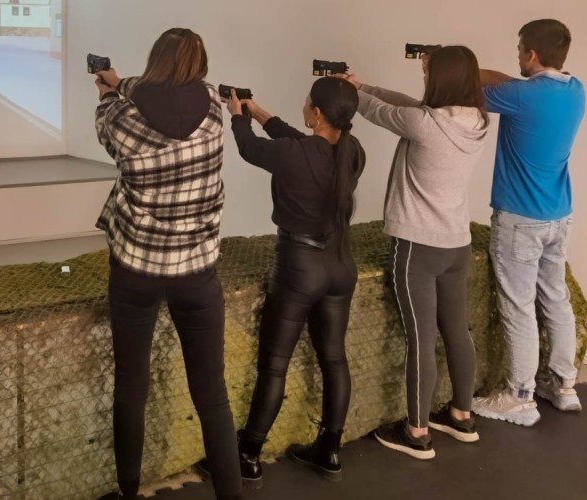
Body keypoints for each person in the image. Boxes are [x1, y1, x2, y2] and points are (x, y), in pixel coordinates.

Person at [92, 28, 242, 500]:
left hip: (136, 271)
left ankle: (129, 490)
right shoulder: (216, 109)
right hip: (197, 273)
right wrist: (125, 84)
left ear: (154, 63)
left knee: (130, 389)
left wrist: (112, 88)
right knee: (211, 394)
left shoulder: (121, 117)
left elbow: (114, 122)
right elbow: (179, 91)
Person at [197, 77, 365, 487]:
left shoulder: (298, 153)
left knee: (274, 366)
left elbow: (250, 148)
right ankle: (329, 450)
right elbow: (296, 139)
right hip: (340, 264)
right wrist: (256, 110)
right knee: (334, 359)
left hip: (299, 267)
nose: (304, 107)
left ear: (318, 114)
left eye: (308, 102)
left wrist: (238, 117)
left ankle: (248, 454)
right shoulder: (352, 150)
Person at [340, 45, 489, 459]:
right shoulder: (478, 120)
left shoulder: (422, 124)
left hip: (417, 247)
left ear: (440, 79)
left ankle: (418, 431)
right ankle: (462, 416)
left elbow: (382, 112)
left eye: (428, 73)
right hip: (456, 244)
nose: (423, 79)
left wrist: (350, 92)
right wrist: (362, 85)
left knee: (421, 339)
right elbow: (410, 107)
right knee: (457, 331)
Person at [472, 19, 585, 425]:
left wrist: (450, 64)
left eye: (521, 51)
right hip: (558, 216)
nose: (518, 57)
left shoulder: (519, 95)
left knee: (519, 307)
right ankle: (564, 384)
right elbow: (518, 85)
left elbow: (468, 90)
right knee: (556, 299)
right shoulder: (575, 89)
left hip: (520, 218)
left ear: (531, 55)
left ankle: (520, 396)